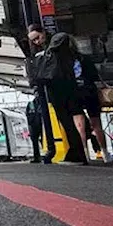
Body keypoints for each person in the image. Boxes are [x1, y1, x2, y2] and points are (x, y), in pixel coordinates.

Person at [43, 32, 88, 164]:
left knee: (67, 124)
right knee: (73, 124)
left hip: (58, 94)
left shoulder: (52, 56)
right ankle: (79, 153)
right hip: (73, 91)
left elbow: (47, 76)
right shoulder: (74, 55)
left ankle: (76, 154)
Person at [72, 48, 112, 162]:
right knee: (96, 124)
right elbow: (95, 75)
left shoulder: (63, 60)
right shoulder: (85, 58)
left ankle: (85, 155)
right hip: (89, 91)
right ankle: (105, 153)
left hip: (74, 92)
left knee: (80, 126)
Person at [25, 24, 57, 163]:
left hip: (53, 89)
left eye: (37, 37)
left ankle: (54, 149)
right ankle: (50, 149)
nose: (37, 42)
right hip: (42, 92)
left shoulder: (53, 49)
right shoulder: (34, 55)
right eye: (33, 40)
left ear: (44, 32)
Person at [24, 99, 43, 163]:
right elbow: (27, 114)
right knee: (35, 142)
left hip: (40, 124)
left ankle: (41, 155)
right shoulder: (31, 104)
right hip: (35, 125)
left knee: (40, 141)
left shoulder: (42, 102)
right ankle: (37, 157)